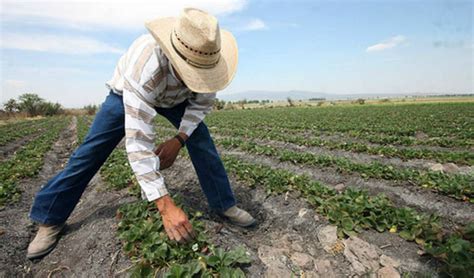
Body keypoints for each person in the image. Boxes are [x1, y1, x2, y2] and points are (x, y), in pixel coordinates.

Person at [26, 7, 255, 260]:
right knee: (90, 152)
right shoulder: (147, 66)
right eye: (192, 73)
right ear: (174, 57)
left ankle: (224, 204)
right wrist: (165, 205)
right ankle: (50, 218)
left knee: (202, 142)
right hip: (127, 93)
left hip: (177, 99)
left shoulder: (208, 62)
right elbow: (138, 143)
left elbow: (200, 105)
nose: (199, 78)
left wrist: (179, 140)